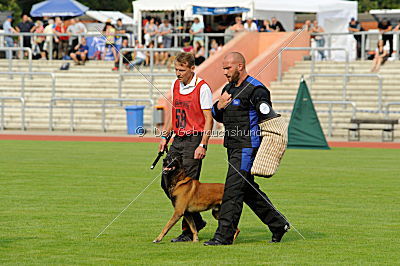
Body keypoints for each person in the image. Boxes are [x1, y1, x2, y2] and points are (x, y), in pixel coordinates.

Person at [204, 52, 289, 246]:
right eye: (224, 68)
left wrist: (270, 146)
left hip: (247, 148)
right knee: (248, 191)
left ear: (240, 66)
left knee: (232, 191)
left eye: (228, 68)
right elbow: (218, 115)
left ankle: (223, 236)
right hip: (232, 146)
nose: (224, 72)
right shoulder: (229, 88)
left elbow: (269, 118)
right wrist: (219, 105)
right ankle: (278, 224)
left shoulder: (256, 90)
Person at [159, 52, 213, 242]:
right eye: (176, 69)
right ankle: (196, 221)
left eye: (181, 70)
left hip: (193, 140)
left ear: (192, 68)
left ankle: (188, 232)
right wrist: (165, 137)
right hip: (178, 140)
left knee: (186, 187)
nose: (178, 73)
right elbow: (175, 114)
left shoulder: (202, 88)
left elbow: (208, 119)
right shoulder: (176, 85)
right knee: (165, 182)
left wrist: (203, 144)